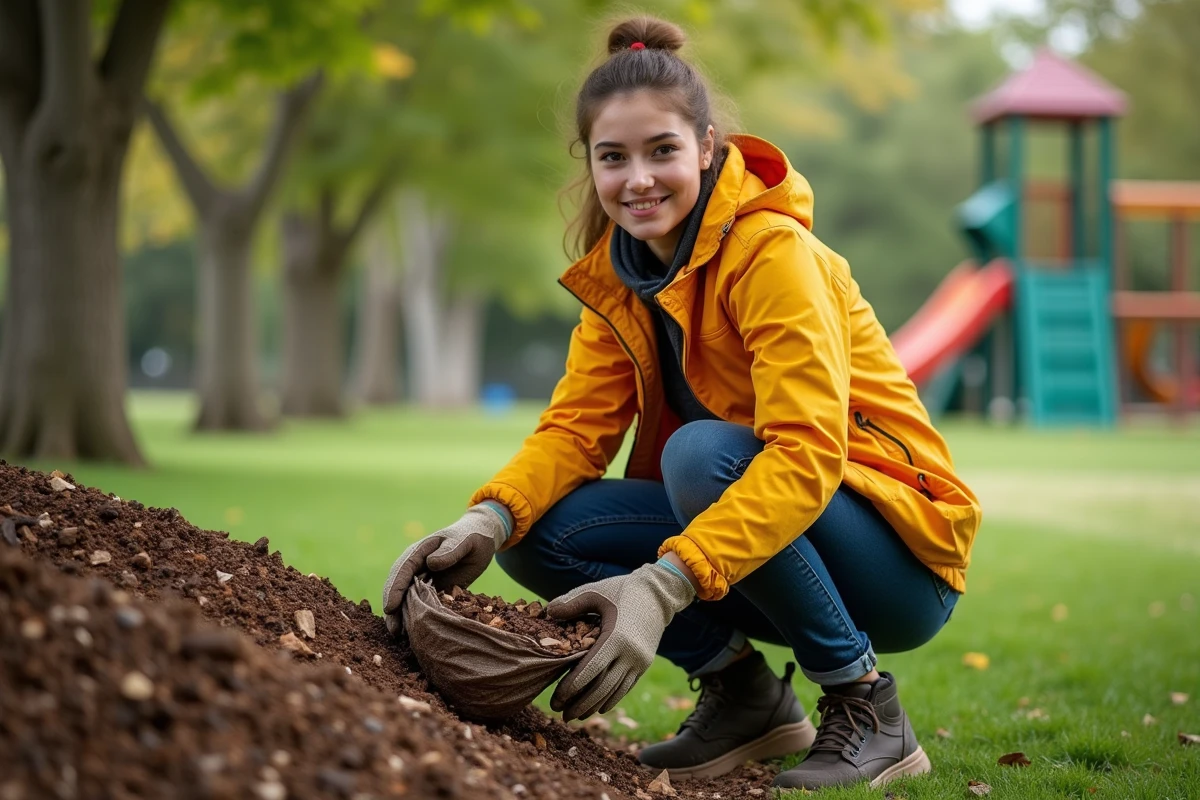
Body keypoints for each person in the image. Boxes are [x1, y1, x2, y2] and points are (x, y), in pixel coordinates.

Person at [382, 15, 982, 792]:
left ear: (705, 147)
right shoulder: (616, 280)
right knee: (537, 533)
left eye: (662, 150)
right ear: (589, 165)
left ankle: (866, 704)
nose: (638, 179)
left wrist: (664, 585)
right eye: (613, 157)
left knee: (700, 455)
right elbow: (574, 430)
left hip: (899, 561)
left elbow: (805, 454)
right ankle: (745, 699)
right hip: (767, 540)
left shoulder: (775, 255)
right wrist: (486, 519)